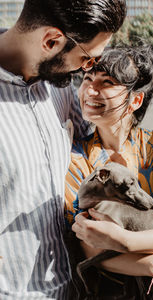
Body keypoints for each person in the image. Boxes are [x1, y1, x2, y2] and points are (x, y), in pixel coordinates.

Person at [0, 0, 126, 299]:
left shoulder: (62, 88)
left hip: (74, 286)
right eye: (87, 59)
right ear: (51, 41)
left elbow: (96, 150)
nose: (89, 68)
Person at [65, 43, 153, 299]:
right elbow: (83, 245)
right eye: (87, 78)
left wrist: (127, 242)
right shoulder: (74, 159)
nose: (90, 90)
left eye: (106, 82)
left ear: (135, 99)